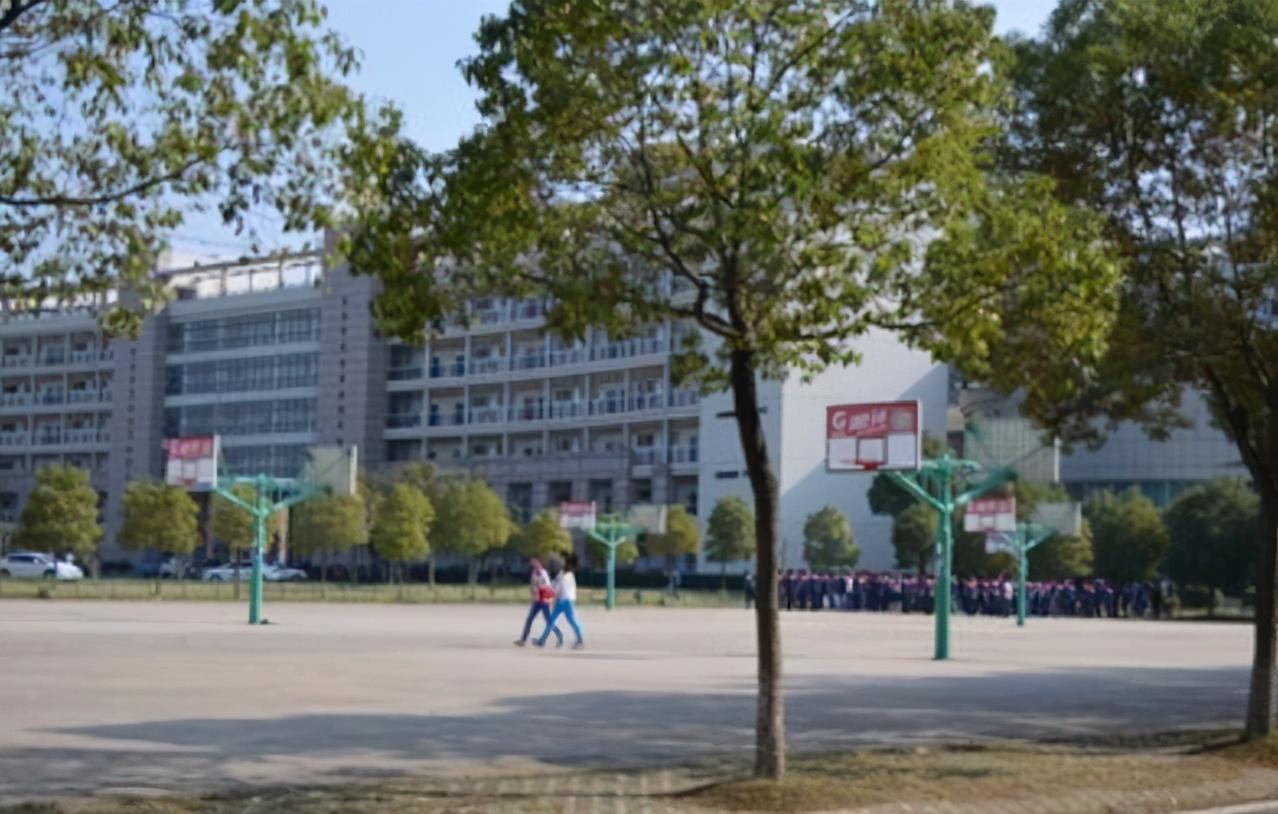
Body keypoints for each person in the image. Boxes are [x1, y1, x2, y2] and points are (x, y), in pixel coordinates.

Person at [537, 553, 585, 650]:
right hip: (563, 601)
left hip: (566, 601)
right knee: (555, 621)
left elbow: (557, 588)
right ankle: (542, 640)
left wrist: (550, 591)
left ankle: (580, 639)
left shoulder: (567, 575)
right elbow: (556, 585)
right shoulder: (563, 574)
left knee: (570, 620)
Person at [515, 558, 562, 647]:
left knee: (549, 621)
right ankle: (523, 639)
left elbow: (548, 586)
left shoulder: (543, 573)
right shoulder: (534, 573)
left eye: (535, 562)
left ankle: (559, 637)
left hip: (544, 601)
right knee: (529, 619)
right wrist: (533, 590)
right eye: (532, 563)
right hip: (537, 600)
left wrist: (539, 588)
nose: (533, 564)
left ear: (539, 563)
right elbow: (533, 585)